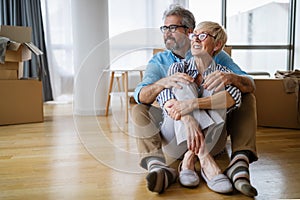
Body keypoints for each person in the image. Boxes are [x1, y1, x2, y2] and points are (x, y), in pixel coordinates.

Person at [132, 4, 258, 197]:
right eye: (164, 28)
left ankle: (236, 162)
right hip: (175, 128)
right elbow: (141, 94)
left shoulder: (218, 59)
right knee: (144, 105)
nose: (167, 33)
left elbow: (245, 85)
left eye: (173, 28)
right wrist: (166, 88)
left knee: (235, 93)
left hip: (212, 135)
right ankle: (159, 166)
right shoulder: (162, 63)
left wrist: (229, 79)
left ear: (189, 31)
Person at [155, 21, 242, 194]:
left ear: (217, 45)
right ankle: (203, 158)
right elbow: (164, 95)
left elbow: (233, 97)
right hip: (176, 140)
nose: (195, 39)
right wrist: (188, 119)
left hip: (213, 142)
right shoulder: (178, 67)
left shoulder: (223, 73)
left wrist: (192, 104)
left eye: (202, 35)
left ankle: (191, 158)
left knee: (216, 87)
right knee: (183, 82)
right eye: (194, 35)